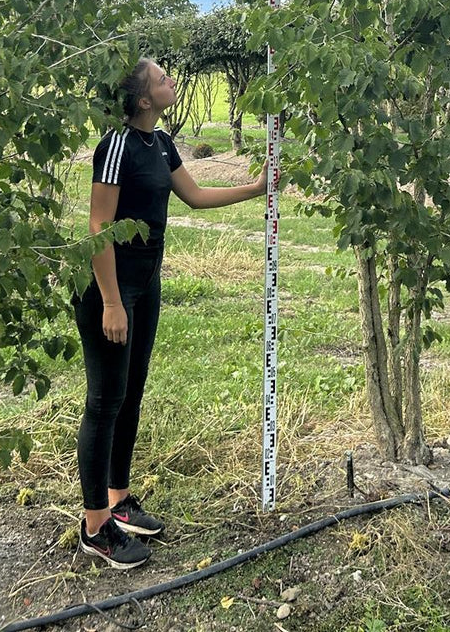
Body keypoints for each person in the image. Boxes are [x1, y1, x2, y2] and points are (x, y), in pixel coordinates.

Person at [73, 57, 268, 568]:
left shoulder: (159, 143)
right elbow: (99, 226)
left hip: (147, 284)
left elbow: (195, 196)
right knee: (105, 400)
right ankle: (95, 528)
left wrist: (254, 190)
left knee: (130, 395)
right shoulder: (115, 146)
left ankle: (119, 502)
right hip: (110, 289)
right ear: (142, 99)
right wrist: (112, 301)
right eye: (162, 79)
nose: (171, 82)